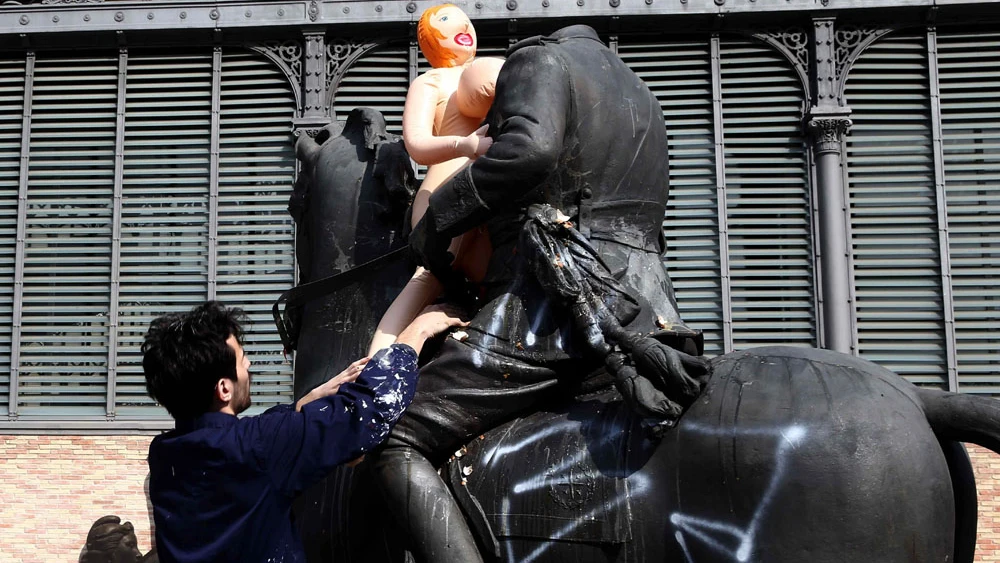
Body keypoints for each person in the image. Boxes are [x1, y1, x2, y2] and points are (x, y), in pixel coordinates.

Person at [372, 24, 705, 562]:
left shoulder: (539, 61)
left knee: (390, 433)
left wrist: (439, 221)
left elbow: (531, 149)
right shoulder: (643, 94)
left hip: (555, 303)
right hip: (651, 308)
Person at [142, 300, 466, 563]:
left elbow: (249, 451)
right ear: (224, 389)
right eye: (242, 360)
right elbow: (367, 410)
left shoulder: (164, 454)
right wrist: (417, 332)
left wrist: (305, 405)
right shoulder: (258, 446)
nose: (249, 366)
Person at [367, 3, 503, 355]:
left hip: (493, 195)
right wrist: (466, 144)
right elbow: (417, 144)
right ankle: (372, 370)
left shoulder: (495, 72)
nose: (463, 27)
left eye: (466, 20)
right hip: (446, 195)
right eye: (446, 21)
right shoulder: (431, 80)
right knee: (427, 278)